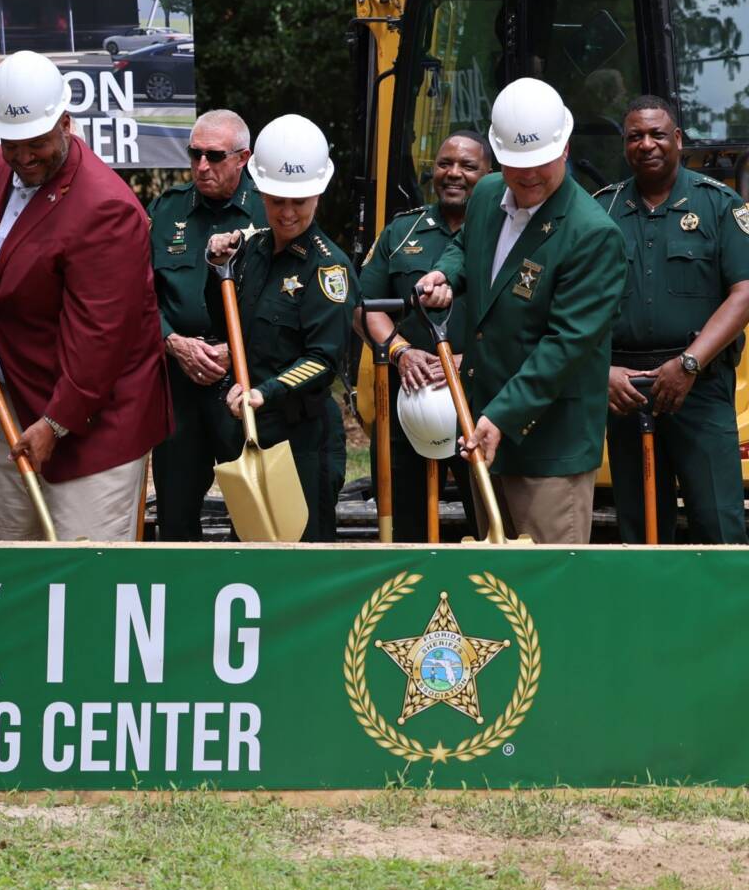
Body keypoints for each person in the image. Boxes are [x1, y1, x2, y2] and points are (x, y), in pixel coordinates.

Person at [0, 51, 168, 540]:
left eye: (35, 144)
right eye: (11, 145)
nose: (22, 159)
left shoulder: (106, 209)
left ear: (66, 123)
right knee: (8, 568)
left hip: (90, 422)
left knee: (83, 574)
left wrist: (56, 424)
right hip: (5, 401)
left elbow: (101, 341)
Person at [415, 77, 627, 543]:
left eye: (539, 165)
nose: (527, 176)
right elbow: (465, 244)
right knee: (493, 589)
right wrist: (447, 274)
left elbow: (565, 348)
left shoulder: (593, 236)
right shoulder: (489, 193)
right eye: (515, 165)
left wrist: (502, 417)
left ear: (565, 148)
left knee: (548, 595)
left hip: (548, 446)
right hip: (485, 426)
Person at [594, 97, 749, 543]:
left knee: (719, 527)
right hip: (624, 390)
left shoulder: (719, 205)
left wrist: (688, 364)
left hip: (697, 385)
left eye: (657, 134)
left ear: (678, 139)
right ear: (625, 145)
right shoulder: (599, 211)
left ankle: (723, 616)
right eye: (635, 137)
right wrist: (601, 371)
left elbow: (743, 293)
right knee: (640, 534)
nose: (647, 145)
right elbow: (572, 300)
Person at [201, 116, 353, 543]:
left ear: (318, 194)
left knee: (303, 560)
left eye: (299, 202)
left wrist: (265, 392)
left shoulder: (328, 268)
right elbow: (222, 320)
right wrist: (217, 269)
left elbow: (323, 359)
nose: (287, 213)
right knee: (251, 555)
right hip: (249, 433)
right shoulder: (252, 249)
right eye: (277, 201)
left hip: (302, 438)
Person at [357, 129, 491, 540]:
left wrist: (472, 362)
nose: (454, 173)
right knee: (402, 525)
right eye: (445, 163)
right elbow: (364, 307)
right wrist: (400, 352)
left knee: (489, 520)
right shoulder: (400, 234)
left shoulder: (503, 234)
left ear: (489, 174)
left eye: (468, 166)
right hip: (408, 402)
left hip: (481, 400)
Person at [145, 110, 258, 540]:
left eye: (214, 155)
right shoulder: (168, 207)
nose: (201, 166)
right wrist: (172, 342)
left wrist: (236, 350)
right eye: (194, 155)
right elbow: (139, 294)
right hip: (177, 378)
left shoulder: (269, 208)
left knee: (249, 508)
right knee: (175, 508)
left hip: (241, 381)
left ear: (243, 157)